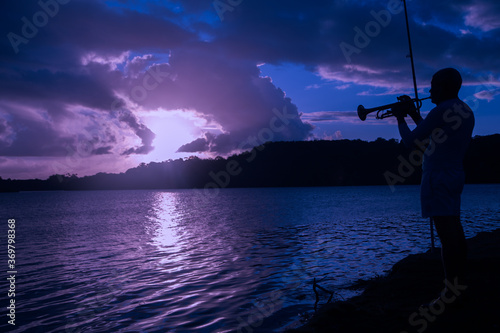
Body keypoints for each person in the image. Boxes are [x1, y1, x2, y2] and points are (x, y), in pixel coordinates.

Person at [391, 68, 475, 303]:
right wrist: (413, 114)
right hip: (454, 174)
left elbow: (410, 141)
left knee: (447, 237)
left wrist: (400, 117)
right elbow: (432, 136)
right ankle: (460, 283)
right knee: (455, 231)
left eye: (433, 86)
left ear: (443, 87)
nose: (429, 90)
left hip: (437, 177)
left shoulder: (441, 110)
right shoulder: (464, 110)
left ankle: (450, 292)